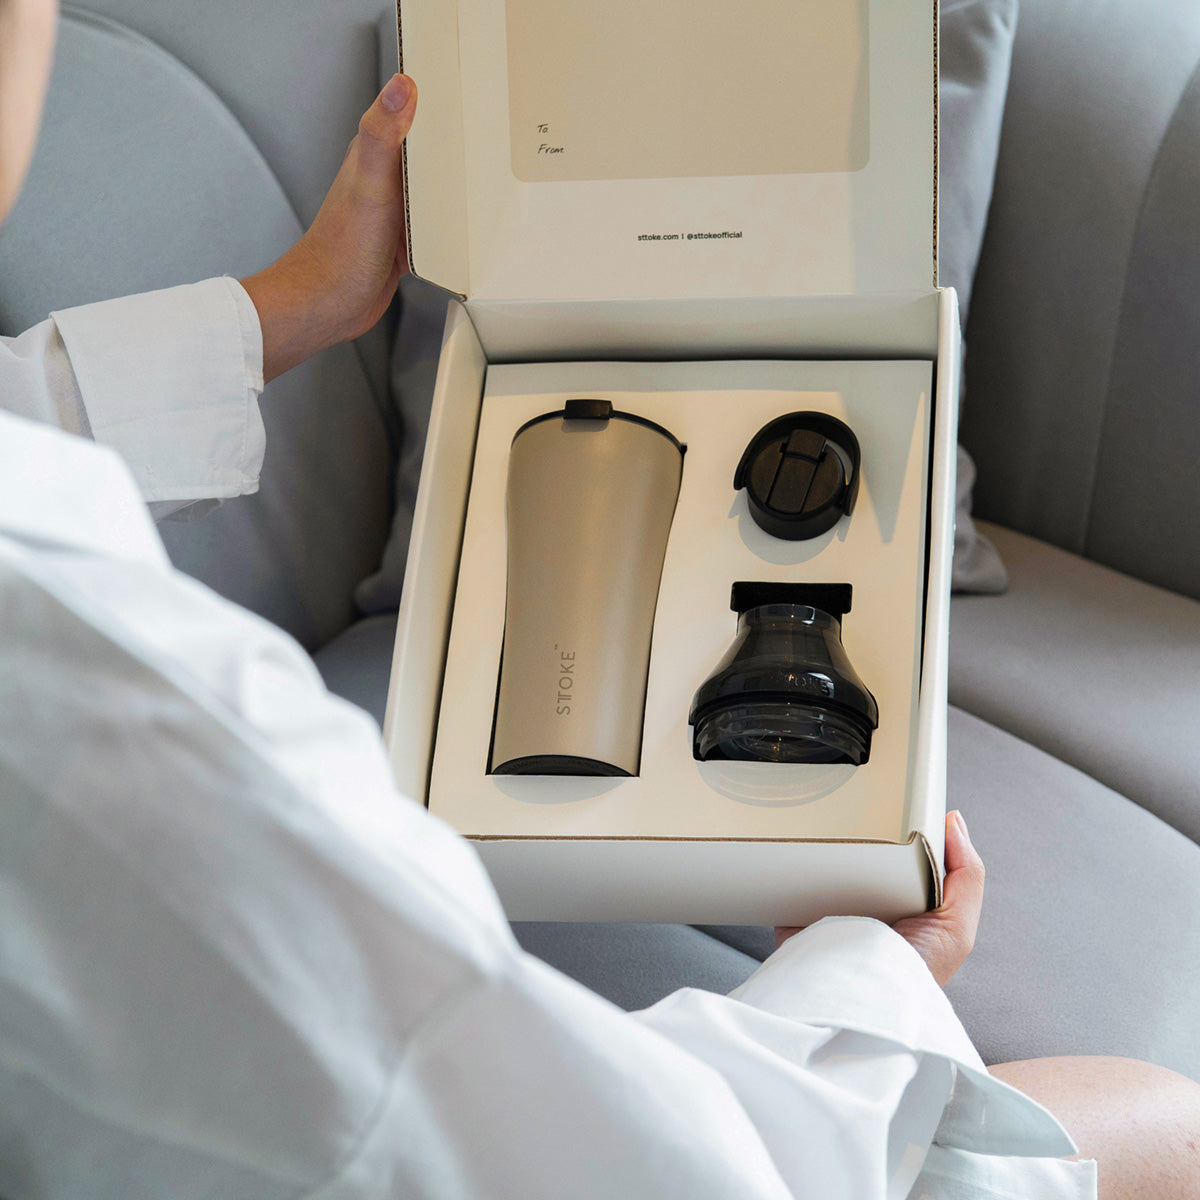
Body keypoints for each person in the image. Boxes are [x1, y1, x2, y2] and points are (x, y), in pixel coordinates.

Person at [2, 1, 1198, 1197]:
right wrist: (878, 971)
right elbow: (658, 1165)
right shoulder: (121, 704)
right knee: (1171, 1125)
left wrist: (303, 298)